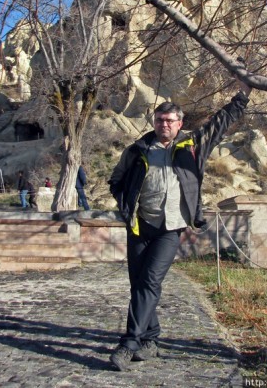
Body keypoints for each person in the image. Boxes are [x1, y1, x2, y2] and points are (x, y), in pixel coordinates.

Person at [108, 83, 251, 371]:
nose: (164, 125)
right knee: (140, 285)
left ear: (180, 124)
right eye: (160, 120)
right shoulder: (137, 150)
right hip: (140, 226)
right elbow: (116, 179)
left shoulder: (192, 146)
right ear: (154, 122)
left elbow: (219, 123)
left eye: (170, 121)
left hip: (170, 229)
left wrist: (242, 95)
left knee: (149, 282)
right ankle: (151, 340)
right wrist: (126, 204)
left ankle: (129, 344)